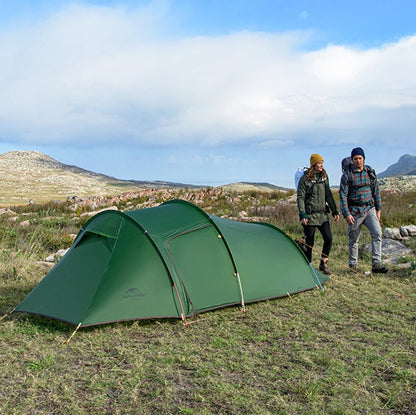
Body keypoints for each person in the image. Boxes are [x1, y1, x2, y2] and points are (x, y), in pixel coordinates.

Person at [339, 147, 388, 273]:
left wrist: (379, 209)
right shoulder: (347, 175)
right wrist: (346, 214)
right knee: (353, 238)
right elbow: (343, 196)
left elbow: (376, 191)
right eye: (355, 159)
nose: (358, 161)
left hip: (370, 209)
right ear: (352, 160)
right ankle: (353, 265)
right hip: (355, 211)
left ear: (364, 159)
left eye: (360, 158)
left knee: (377, 233)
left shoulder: (369, 172)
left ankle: (376, 264)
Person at [297, 154, 340, 275]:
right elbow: (300, 197)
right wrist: (302, 214)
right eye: (319, 163)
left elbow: (328, 195)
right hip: (309, 215)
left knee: (328, 238)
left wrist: (334, 210)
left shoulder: (324, 177)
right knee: (309, 242)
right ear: (313, 164)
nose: (321, 165)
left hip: (322, 215)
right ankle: (308, 266)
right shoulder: (304, 179)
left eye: (322, 163)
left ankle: (323, 263)